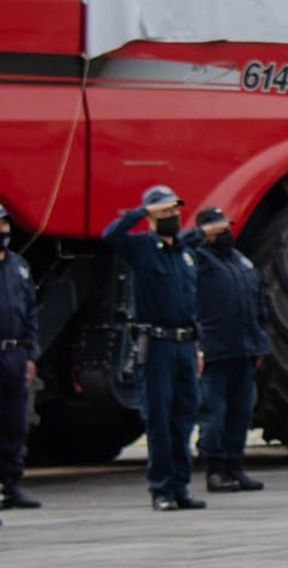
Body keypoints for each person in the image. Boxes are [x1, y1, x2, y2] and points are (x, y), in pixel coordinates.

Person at [103, 185, 205, 511]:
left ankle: (181, 487)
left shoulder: (185, 253)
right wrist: (140, 212)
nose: (171, 216)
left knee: (184, 417)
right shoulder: (142, 248)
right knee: (159, 418)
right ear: (150, 217)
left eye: (174, 210)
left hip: (184, 345)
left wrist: (197, 346)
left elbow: (190, 304)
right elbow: (110, 236)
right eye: (163, 212)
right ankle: (161, 489)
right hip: (156, 345)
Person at [182, 206, 270, 493]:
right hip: (214, 351)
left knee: (241, 412)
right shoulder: (196, 258)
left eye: (226, 226)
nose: (225, 231)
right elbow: (178, 248)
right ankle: (215, 469)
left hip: (244, 350)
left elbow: (259, 303)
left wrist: (259, 343)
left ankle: (236, 465)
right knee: (214, 412)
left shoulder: (239, 260)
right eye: (218, 227)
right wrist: (199, 235)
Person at [0, 204, 40, 519]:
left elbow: (30, 312)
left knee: (15, 423)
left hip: (14, 353)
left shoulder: (19, 266)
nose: (3, 231)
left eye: (5, 225)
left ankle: (10, 485)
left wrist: (30, 353)